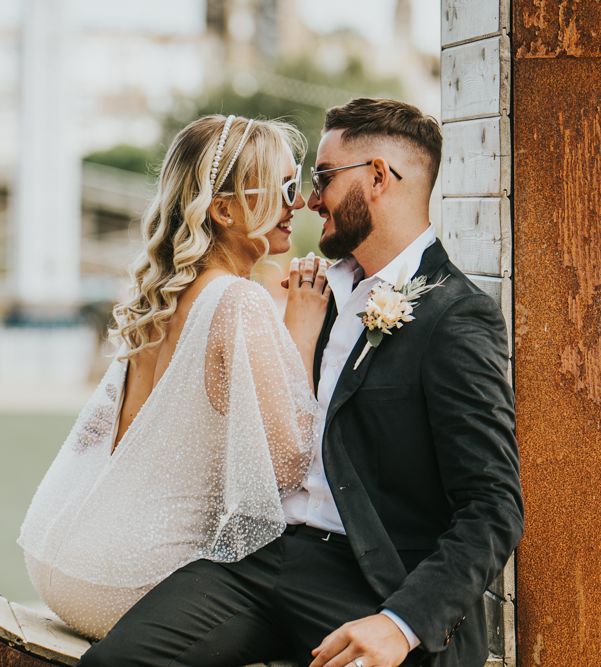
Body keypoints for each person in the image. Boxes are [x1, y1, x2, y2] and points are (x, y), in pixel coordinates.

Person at [77, 99, 524, 667]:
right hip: (260, 557)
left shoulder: (455, 317)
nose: (311, 201)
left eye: (323, 179)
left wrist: (401, 623)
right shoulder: (307, 295)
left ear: (379, 179)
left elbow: (493, 505)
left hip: (373, 583)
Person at [17, 114, 331, 641]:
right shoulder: (238, 301)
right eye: (283, 188)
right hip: (127, 585)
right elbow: (287, 460)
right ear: (225, 209)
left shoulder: (160, 295)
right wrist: (301, 326)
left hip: (55, 551)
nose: (297, 204)